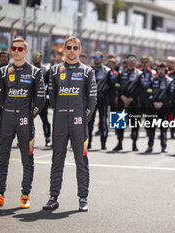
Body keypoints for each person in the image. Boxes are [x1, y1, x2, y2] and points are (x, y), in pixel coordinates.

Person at [0, 38, 46, 208]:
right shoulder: (3, 71)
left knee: (27, 159)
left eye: (20, 49)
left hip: (25, 121)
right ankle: (0, 194)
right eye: (14, 48)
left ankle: (25, 195)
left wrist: (30, 116)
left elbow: (40, 99)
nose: (16, 51)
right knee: (2, 158)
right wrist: (7, 110)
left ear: (26, 51)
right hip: (7, 118)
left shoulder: (35, 72)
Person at [43, 36, 97, 211]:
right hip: (59, 121)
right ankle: (53, 197)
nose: (72, 50)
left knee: (81, 160)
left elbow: (92, 100)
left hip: (79, 123)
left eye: (75, 47)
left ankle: (83, 198)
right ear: (64, 49)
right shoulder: (54, 70)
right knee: (57, 159)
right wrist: (60, 114)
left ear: (79, 50)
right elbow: (51, 98)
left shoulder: (88, 72)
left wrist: (83, 120)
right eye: (69, 47)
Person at [113, 54, 142, 152]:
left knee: (135, 124)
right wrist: (122, 97)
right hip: (122, 101)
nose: (131, 61)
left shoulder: (139, 74)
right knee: (119, 123)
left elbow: (140, 89)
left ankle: (134, 144)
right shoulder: (121, 73)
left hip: (134, 103)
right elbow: (117, 86)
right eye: (130, 59)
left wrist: (130, 99)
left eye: (134, 59)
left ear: (136, 62)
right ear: (127, 61)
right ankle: (119, 143)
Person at [145, 62, 173, 153]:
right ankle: (150, 146)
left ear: (166, 70)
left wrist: (162, 103)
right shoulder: (152, 80)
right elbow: (148, 92)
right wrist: (153, 102)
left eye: (162, 69)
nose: (161, 71)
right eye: (159, 69)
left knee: (163, 128)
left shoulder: (169, 81)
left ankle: (164, 146)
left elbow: (170, 95)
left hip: (164, 108)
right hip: (152, 108)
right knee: (151, 128)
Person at [88, 51, 110, 150]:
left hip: (103, 99)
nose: (96, 58)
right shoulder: (89, 70)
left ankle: (103, 143)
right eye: (94, 57)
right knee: (89, 122)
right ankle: (88, 143)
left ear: (102, 58)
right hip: (91, 99)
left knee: (103, 121)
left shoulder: (107, 71)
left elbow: (111, 86)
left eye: (98, 57)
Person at [33, 51, 52, 147]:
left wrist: (48, 95)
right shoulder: (28, 68)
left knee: (45, 120)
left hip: (42, 100)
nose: (36, 58)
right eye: (34, 56)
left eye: (37, 56)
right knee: (27, 121)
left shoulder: (45, 69)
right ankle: (26, 140)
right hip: (31, 100)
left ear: (41, 58)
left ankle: (48, 139)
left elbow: (50, 84)